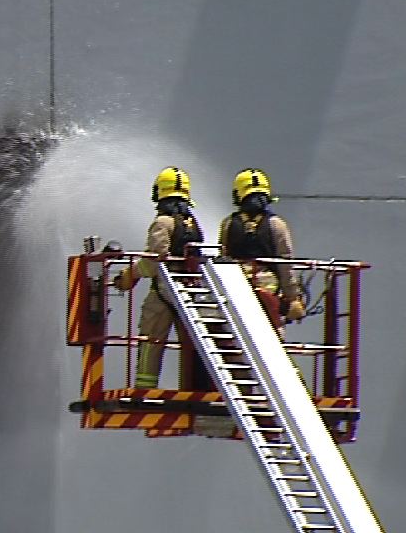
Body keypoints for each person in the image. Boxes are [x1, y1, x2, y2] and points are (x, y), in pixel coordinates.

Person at [115, 166, 204, 389]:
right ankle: (191, 388)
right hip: (191, 294)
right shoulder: (193, 224)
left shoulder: (162, 223)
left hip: (164, 293)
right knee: (192, 347)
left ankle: (144, 390)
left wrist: (129, 275)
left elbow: (155, 261)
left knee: (150, 342)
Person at [218, 168, 305, 334]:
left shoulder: (228, 224)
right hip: (268, 292)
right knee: (274, 335)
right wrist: (293, 298)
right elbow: (285, 264)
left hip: (235, 287)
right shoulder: (277, 225)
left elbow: (223, 257)